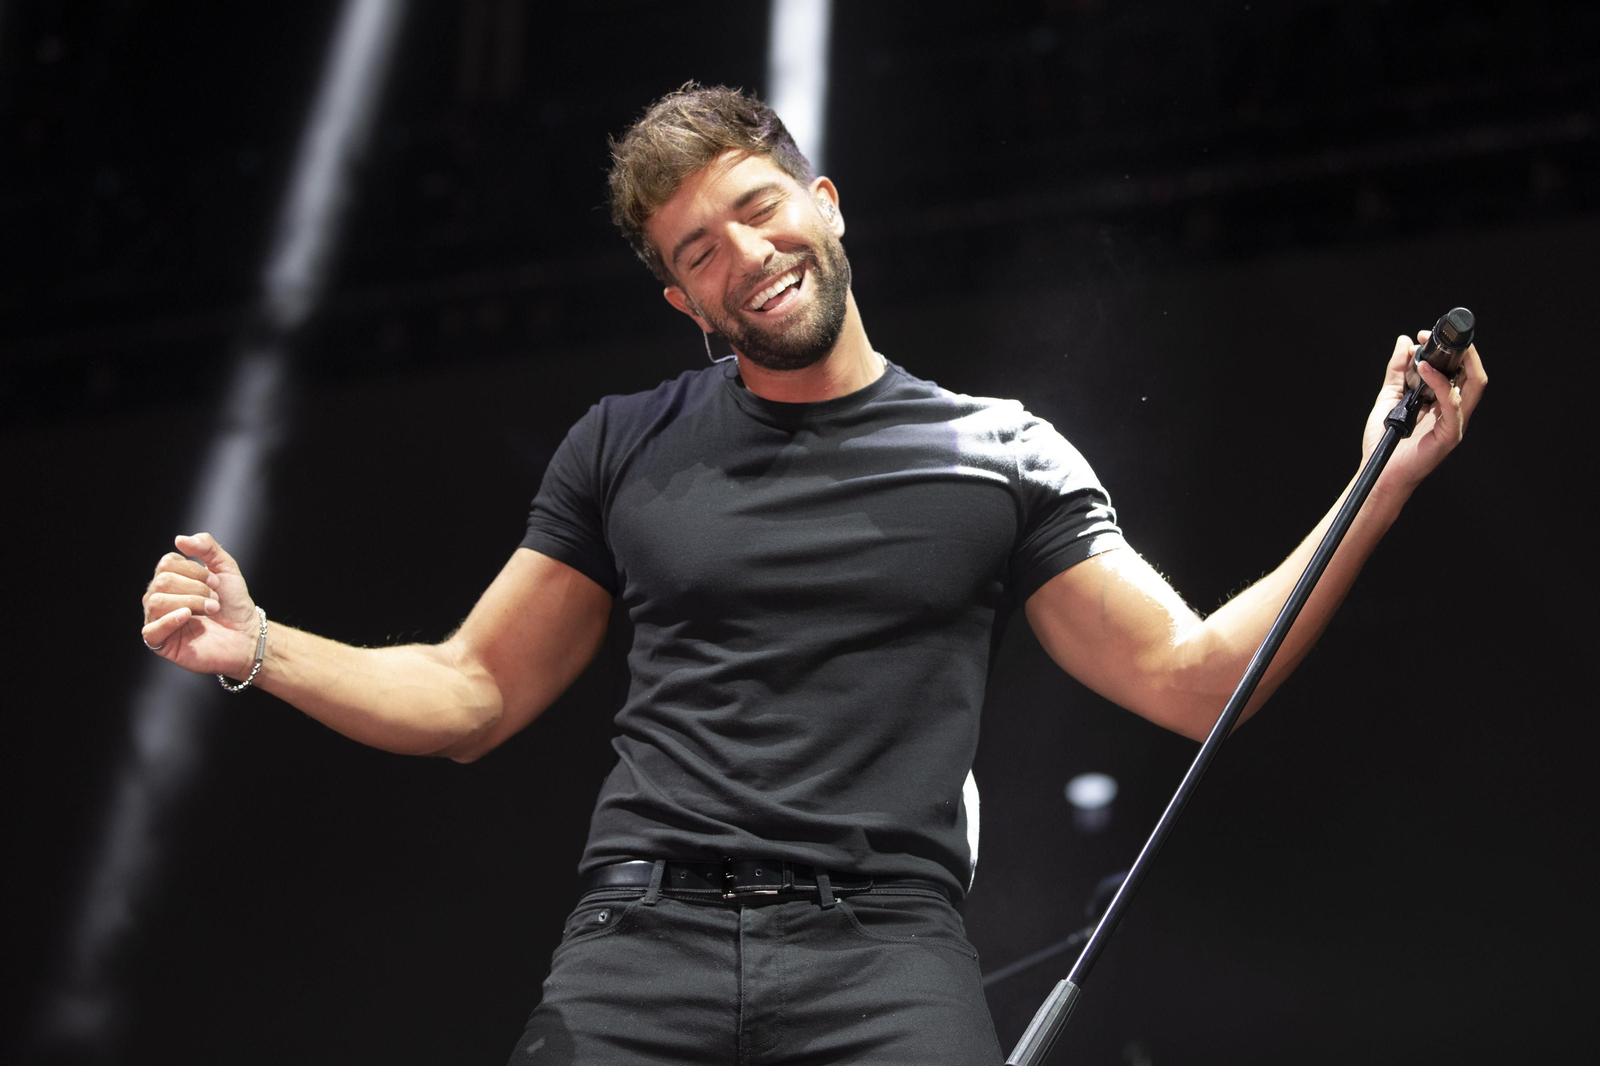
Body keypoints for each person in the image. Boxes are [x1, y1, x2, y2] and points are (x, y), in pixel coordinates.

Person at [139, 85, 1486, 1065]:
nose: (746, 258)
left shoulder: (997, 451)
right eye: (699, 253)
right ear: (684, 302)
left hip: (883, 956)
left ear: (822, 203)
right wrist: (261, 643)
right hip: (637, 942)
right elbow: (473, 689)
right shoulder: (624, 443)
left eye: (757, 210)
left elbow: (1199, 683)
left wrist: (1381, 476)